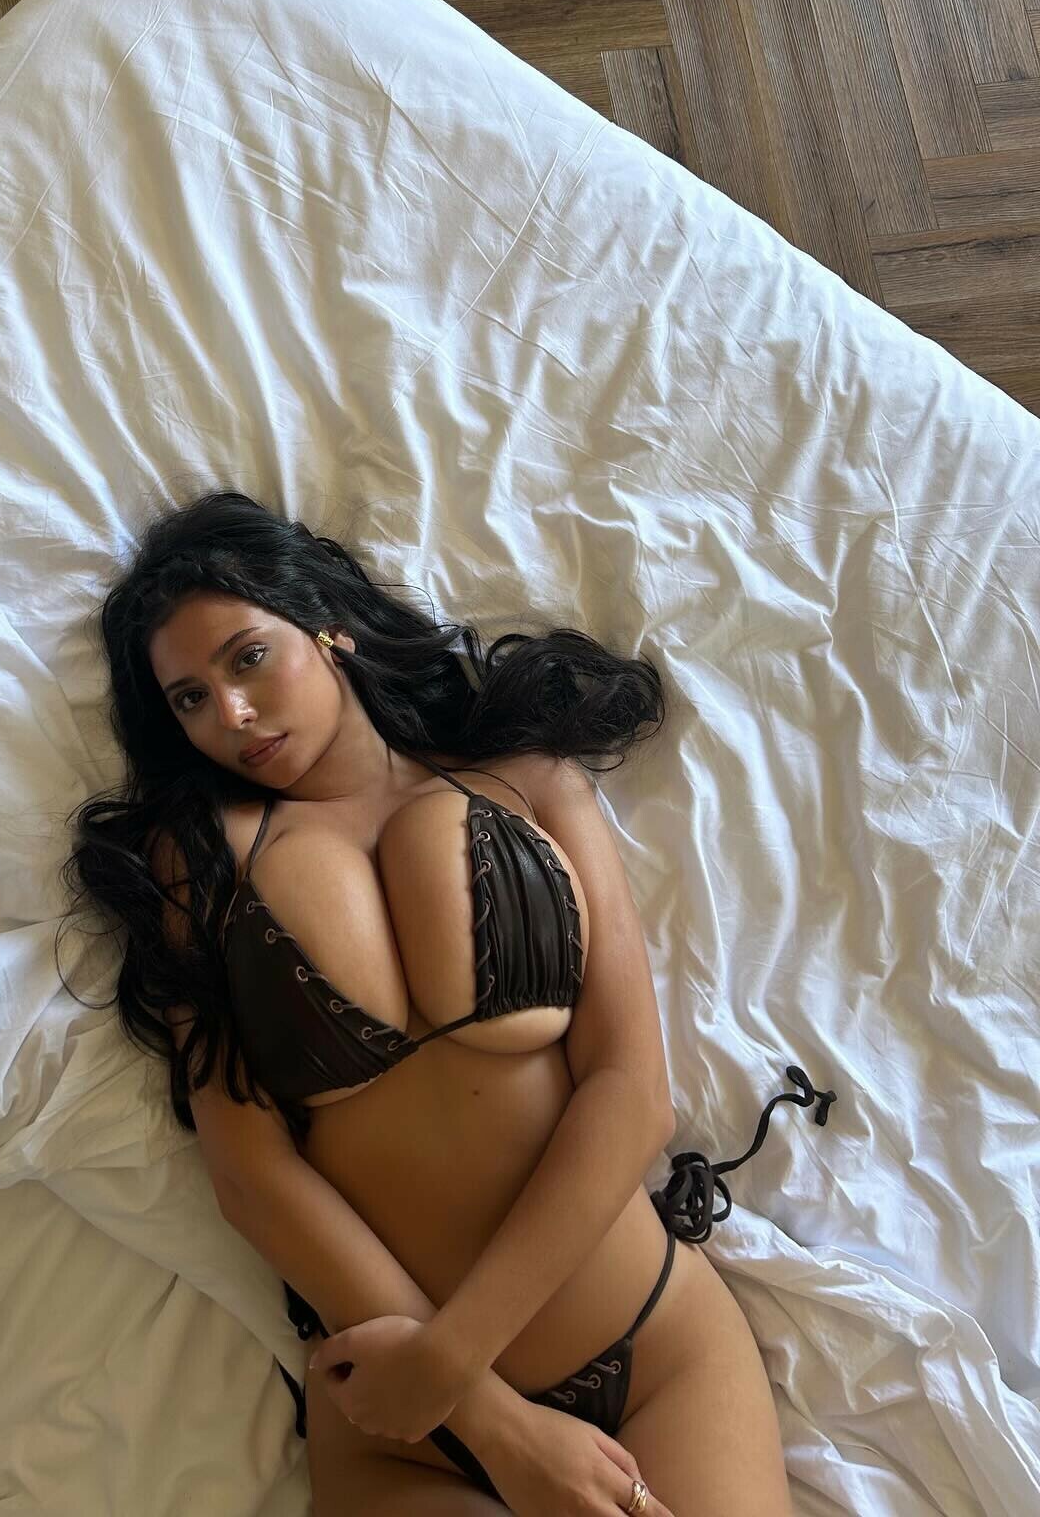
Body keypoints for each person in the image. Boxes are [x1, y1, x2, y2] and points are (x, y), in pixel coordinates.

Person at [57, 488, 836, 1513]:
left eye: (248, 658)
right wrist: (492, 1423)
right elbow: (252, 1175)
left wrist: (455, 1355)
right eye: (191, 699)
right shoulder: (199, 863)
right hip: (408, 1434)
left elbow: (629, 1090)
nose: (232, 715)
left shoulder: (532, 781)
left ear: (328, 629)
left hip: (656, 1349)